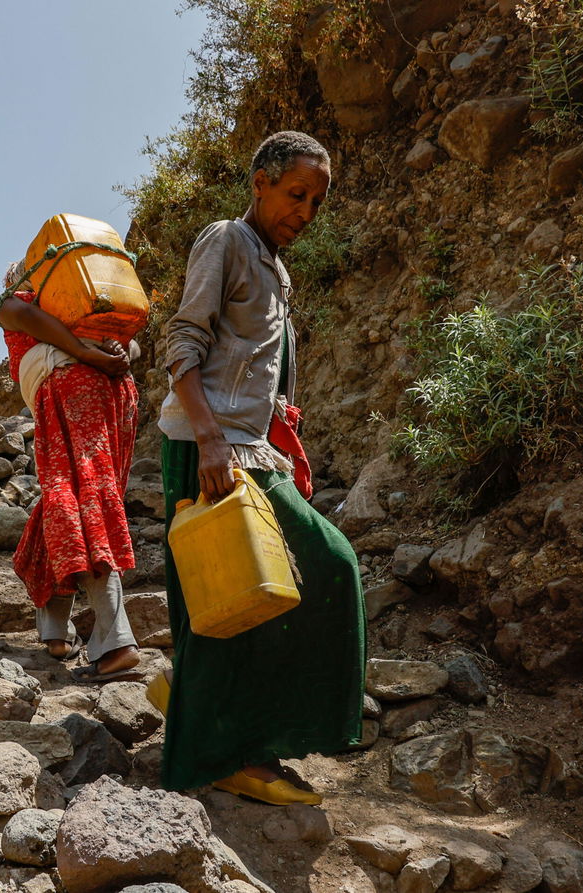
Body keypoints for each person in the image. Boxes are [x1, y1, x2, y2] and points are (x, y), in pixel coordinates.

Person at [155, 131, 366, 805]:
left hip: (249, 447)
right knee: (292, 576)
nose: (305, 213)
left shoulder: (276, 267)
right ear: (261, 183)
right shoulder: (226, 239)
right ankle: (222, 752)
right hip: (209, 447)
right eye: (295, 195)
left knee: (255, 587)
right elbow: (183, 340)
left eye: (316, 202)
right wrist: (212, 438)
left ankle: (211, 713)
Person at [0, 262, 143, 682]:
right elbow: (131, 347)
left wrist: (83, 354)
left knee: (79, 500)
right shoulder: (89, 309)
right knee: (72, 499)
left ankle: (117, 642)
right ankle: (56, 633)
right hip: (117, 394)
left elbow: (17, 313)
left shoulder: (14, 303)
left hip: (71, 389)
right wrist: (106, 351)